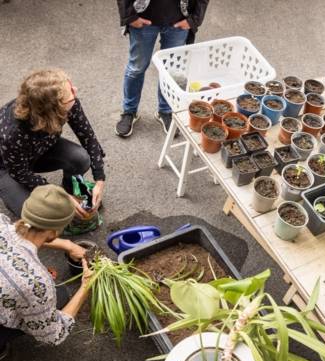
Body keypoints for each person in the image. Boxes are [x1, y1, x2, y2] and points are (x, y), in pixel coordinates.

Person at [0, 185, 92, 359]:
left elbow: (18, 230)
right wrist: (87, 285)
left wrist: (67, 244)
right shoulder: (37, 284)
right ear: (55, 231)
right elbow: (54, 335)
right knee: (61, 295)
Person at [0, 69, 106, 218]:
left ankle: (71, 190)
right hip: (7, 168)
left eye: (70, 86)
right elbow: (20, 173)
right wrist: (60, 196)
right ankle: (61, 200)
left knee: (81, 158)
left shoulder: (68, 103)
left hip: (39, 151)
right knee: (33, 214)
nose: (75, 91)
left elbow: (88, 138)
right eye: (70, 95)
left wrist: (99, 179)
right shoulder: (13, 133)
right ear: (53, 110)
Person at [115, 0, 210, 137]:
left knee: (171, 72)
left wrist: (194, 19)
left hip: (178, 21)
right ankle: (129, 111)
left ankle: (165, 111)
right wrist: (129, 16)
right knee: (136, 68)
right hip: (143, 18)